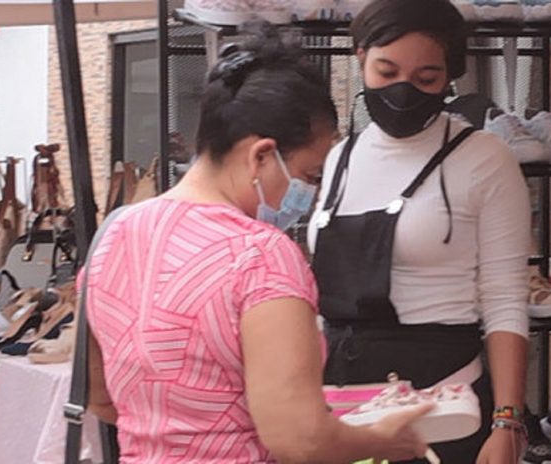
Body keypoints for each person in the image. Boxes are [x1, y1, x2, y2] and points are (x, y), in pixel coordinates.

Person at [83, 28, 434, 463]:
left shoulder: (114, 234)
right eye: (310, 176)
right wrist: (384, 441)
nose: (311, 193)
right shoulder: (260, 256)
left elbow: (99, 400)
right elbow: (299, 439)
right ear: (262, 156)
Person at [308, 0, 532, 461]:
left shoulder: (484, 158)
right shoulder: (338, 159)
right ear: (360, 57)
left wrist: (507, 421)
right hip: (344, 413)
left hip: (444, 410)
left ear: (448, 77)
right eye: (386, 72)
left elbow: (505, 297)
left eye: (425, 79)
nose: (402, 91)